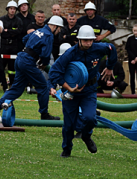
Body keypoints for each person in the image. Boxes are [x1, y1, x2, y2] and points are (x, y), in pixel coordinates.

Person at [49, 25, 117, 157]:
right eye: (85, 40)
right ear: (78, 40)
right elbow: (54, 72)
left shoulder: (98, 48)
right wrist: (68, 88)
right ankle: (67, 148)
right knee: (69, 125)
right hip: (71, 93)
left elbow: (111, 48)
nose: (88, 43)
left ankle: (86, 136)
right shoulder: (70, 54)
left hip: (89, 91)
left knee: (90, 118)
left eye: (90, 40)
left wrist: (110, 67)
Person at [0, 15, 64, 120]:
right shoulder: (49, 35)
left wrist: (33, 48)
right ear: (55, 27)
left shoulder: (38, 31)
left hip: (20, 58)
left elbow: (24, 39)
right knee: (43, 87)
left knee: (17, 89)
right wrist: (43, 63)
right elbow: (45, 54)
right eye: (59, 29)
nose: (59, 31)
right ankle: (44, 114)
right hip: (28, 62)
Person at [0, 0, 24, 88]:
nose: (12, 10)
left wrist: (8, 31)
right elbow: (1, 32)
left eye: (14, 9)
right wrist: (12, 32)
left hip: (14, 46)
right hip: (3, 45)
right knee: (0, 66)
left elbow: (19, 32)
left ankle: (12, 84)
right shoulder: (1, 20)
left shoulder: (18, 20)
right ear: (7, 9)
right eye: (11, 8)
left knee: (12, 67)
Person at [125, 24, 137, 94]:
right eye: (134, 31)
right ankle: (133, 92)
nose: (135, 32)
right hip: (131, 60)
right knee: (132, 76)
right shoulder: (130, 39)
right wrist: (133, 58)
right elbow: (128, 49)